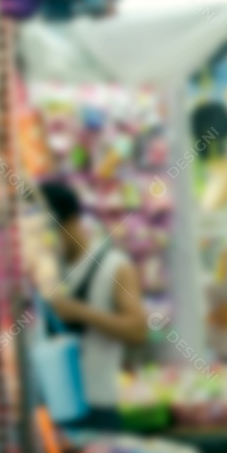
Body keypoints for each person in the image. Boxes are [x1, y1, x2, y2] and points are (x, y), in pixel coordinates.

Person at [37, 181, 148, 429]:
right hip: (53, 413)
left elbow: (138, 329)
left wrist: (81, 312)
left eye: (50, 231)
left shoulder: (114, 266)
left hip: (99, 409)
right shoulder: (49, 272)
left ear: (72, 222)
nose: (46, 242)